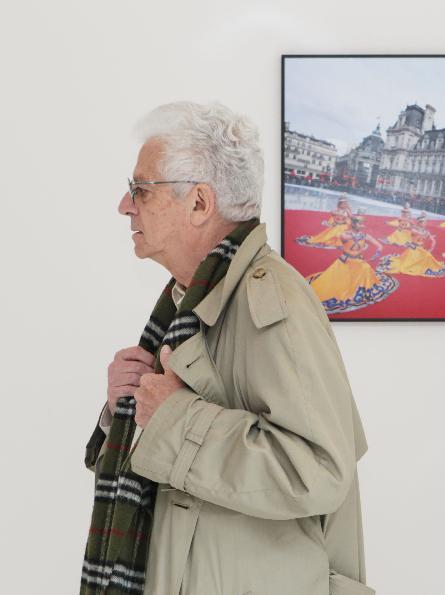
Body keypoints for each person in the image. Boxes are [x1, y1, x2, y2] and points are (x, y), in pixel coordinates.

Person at [83, 102, 372, 595]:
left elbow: (318, 470)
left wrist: (172, 416)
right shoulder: (191, 299)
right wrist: (123, 409)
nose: (124, 206)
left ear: (199, 203)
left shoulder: (271, 300)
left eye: (140, 190)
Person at [309, 211, 398, 312]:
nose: (362, 225)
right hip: (345, 262)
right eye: (359, 223)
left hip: (358, 262)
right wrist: (360, 236)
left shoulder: (364, 235)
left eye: (362, 223)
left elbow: (380, 246)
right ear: (354, 224)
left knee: (366, 267)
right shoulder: (345, 234)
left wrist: (376, 255)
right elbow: (344, 237)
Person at [377, 212, 445, 278]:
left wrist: (431, 243)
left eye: (426, 222)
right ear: (420, 222)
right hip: (413, 249)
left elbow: (431, 239)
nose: (426, 223)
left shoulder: (424, 230)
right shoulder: (415, 229)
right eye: (424, 222)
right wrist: (426, 235)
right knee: (405, 264)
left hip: (420, 249)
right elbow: (418, 232)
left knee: (428, 256)